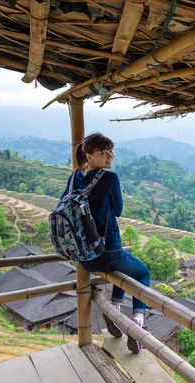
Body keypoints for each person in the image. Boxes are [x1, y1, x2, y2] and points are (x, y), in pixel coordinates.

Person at [61, 132, 150, 354]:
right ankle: (137, 323)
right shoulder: (109, 178)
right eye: (103, 152)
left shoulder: (74, 177)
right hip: (106, 251)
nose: (110, 155)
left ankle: (115, 313)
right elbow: (118, 210)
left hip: (83, 258)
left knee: (123, 272)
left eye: (111, 150)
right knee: (143, 274)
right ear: (89, 155)